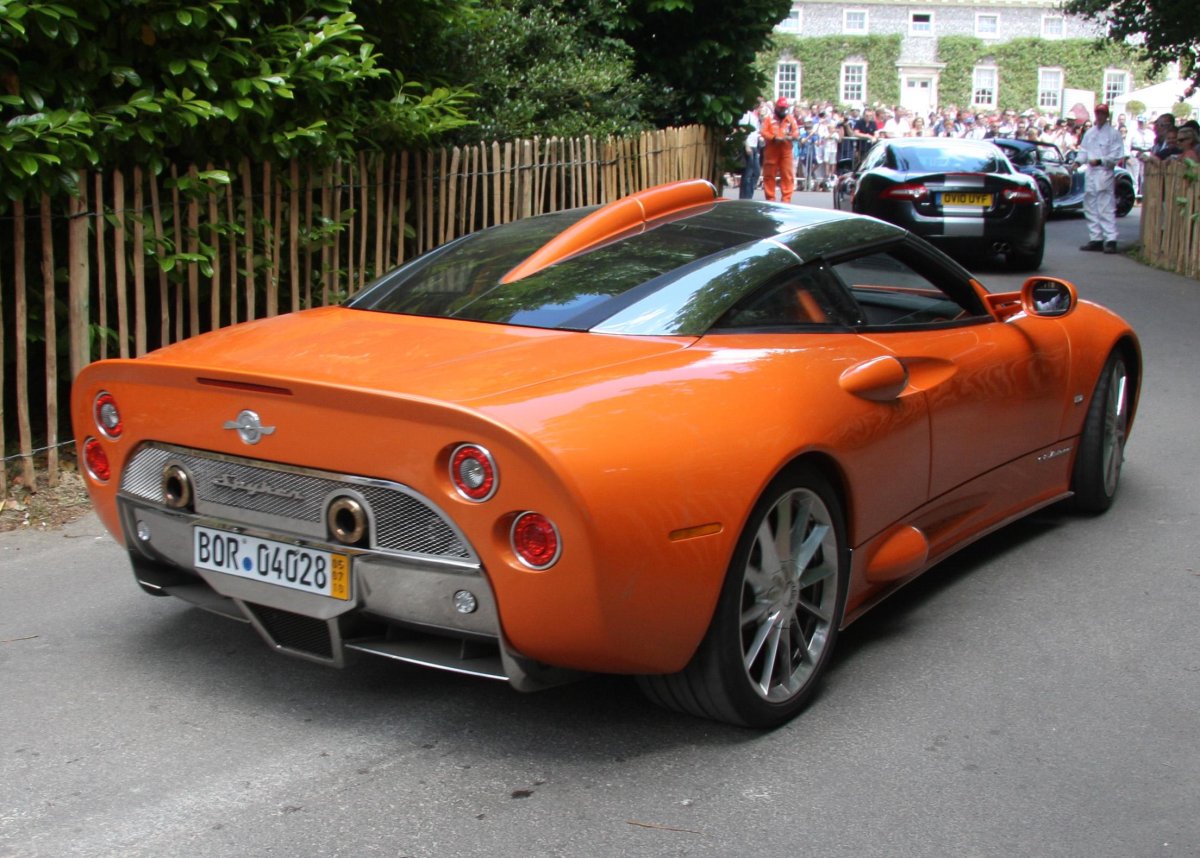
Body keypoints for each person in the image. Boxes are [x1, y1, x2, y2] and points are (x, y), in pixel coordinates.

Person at [1076, 104, 1125, 253]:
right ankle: (1096, 238)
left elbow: (1116, 154)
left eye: (1102, 113)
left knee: (1105, 206)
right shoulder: (1090, 133)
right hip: (1091, 172)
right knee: (1090, 205)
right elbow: (1084, 151)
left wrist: (1100, 161)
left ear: (1107, 115)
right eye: (1098, 113)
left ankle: (1111, 239)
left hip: (1104, 171)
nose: (1099, 116)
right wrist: (1078, 161)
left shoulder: (1113, 134)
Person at [760, 97, 800, 203]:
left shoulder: (790, 119)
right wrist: (773, 138)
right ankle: (770, 199)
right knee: (769, 176)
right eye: (781, 108)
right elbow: (764, 132)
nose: (783, 110)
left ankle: (786, 200)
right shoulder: (769, 119)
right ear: (777, 107)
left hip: (786, 151)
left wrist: (791, 137)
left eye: (784, 108)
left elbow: (796, 132)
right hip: (771, 151)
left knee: (787, 175)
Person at [737, 104, 762, 200]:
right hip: (749, 146)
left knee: (755, 172)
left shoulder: (754, 115)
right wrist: (746, 145)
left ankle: (748, 196)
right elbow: (742, 130)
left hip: (754, 146)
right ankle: (744, 198)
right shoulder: (746, 114)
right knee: (748, 174)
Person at [1125, 115, 1154, 197]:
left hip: (1147, 154)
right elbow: (1127, 145)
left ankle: (1144, 195)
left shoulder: (1151, 133)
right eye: (1140, 122)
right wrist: (1127, 157)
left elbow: (1154, 145)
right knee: (1133, 177)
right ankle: (1133, 195)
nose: (1141, 124)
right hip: (1135, 154)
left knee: (1145, 177)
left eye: (1143, 122)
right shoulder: (1132, 132)